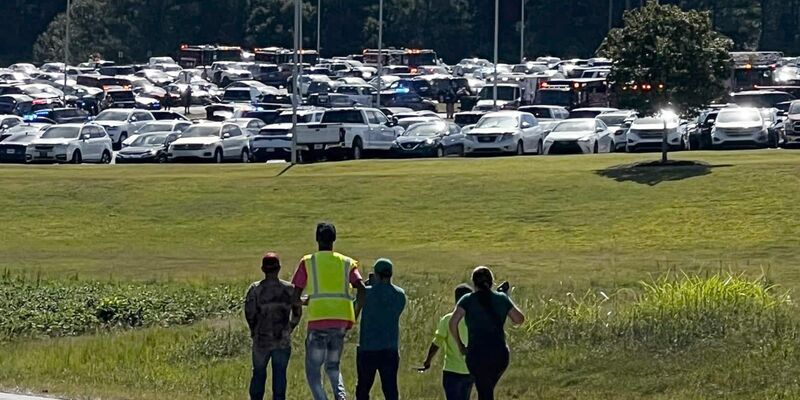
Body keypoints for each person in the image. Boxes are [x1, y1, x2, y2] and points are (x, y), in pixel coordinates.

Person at [292, 223, 366, 400]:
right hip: (341, 322)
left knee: (313, 371)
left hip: (318, 321)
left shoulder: (308, 262)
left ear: (317, 239)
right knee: (333, 366)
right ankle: (341, 397)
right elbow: (362, 289)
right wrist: (354, 314)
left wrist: (305, 302)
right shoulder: (347, 263)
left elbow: (294, 294)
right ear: (334, 239)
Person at [449, 267, 525, 400]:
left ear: (474, 283)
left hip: (476, 355)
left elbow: (453, 322)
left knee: (484, 390)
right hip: (499, 354)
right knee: (486, 389)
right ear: (491, 281)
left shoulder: (467, 300)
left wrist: (460, 345)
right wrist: (506, 298)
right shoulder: (501, 298)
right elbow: (519, 319)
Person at [244, 252, 303, 400]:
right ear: (279, 268)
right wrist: (290, 328)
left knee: (258, 373)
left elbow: (249, 314)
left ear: (263, 269)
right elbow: (297, 312)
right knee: (280, 375)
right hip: (282, 340)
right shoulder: (289, 289)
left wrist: (254, 330)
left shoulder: (255, 289)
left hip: (261, 340)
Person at [355, 258, 406, 400]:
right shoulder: (400, 295)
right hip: (390, 348)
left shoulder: (366, 293)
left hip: (368, 348)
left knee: (363, 389)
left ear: (376, 274)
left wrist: (364, 289)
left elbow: (354, 309)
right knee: (390, 389)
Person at [420, 284, 474, 400]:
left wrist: (428, 361)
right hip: (470, 371)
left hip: (451, 370)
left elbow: (437, 343)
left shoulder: (448, 319)